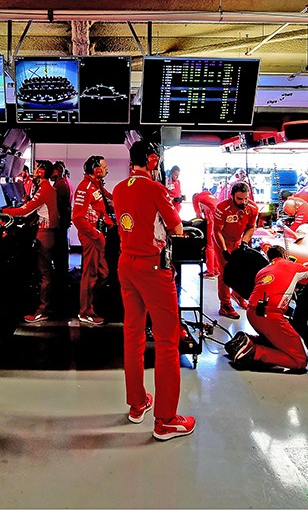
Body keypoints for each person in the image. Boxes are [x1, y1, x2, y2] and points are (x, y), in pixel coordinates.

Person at [113, 140, 195, 441]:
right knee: (166, 341)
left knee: (132, 333)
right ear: (150, 160)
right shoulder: (156, 189)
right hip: (153, 268)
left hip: (126, 265)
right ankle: (166, 420)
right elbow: (176, 228)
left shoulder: (119, 189)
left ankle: (137, 404)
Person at [237, 246, 308, 371]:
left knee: (276, 342)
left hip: (252, 313)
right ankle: (255, 351)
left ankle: (251, 340)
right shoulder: (293, 266)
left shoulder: (263, 270)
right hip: (270, 316)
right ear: (285, 255)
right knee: (300, 361)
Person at [3, 160, 61, 324]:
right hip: (45, 233)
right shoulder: (46, 188)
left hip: (45, 234)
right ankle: (43, 306)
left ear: (42, 172)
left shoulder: (44, 189)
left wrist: (1, 211)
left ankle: (42, 310)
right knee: (45, 272)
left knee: (44, 273)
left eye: (37, 168)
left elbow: (24, 211)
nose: (34, 170)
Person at [72, 155, 114, 326]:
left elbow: (110, 200)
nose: (107, 170)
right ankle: (85, 311)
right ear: (96, 170)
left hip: (99, 237)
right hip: (92, 237)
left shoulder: (96, 186)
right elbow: (78, 218)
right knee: (89, 275)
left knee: (103, 274)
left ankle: (92, 304)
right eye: (104, 167)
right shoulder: (85, 188)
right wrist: (95, 234)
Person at [213, 182, 258, 319]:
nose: (244, 202)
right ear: (232, 196)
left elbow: (251, 227)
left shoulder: (252, 208)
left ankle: (238, 294)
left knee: (242, 271)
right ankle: (225, 305)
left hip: (238, 241)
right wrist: (225, 250)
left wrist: (244, 242)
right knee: (225, 273)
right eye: (239, 199)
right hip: (222, 241)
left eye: (246, 198)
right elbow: (217, 231)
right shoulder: (222, 207)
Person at [51, 161, 72, 311]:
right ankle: (62, 275)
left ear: (56, 172)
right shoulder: (66, 183)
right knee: (62, 250)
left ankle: (60, 281)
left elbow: (55, 206)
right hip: (64, 222)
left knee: (59, 252)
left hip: (60, 223)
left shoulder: (59, 186)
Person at [192, 188, 220, 278]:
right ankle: (216, 269)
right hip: (219, 220)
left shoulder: (197, 198)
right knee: (216, 245)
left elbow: (198, 215)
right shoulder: (211, 196)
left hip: (212, 220)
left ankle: (210, 271)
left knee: (210, 245)